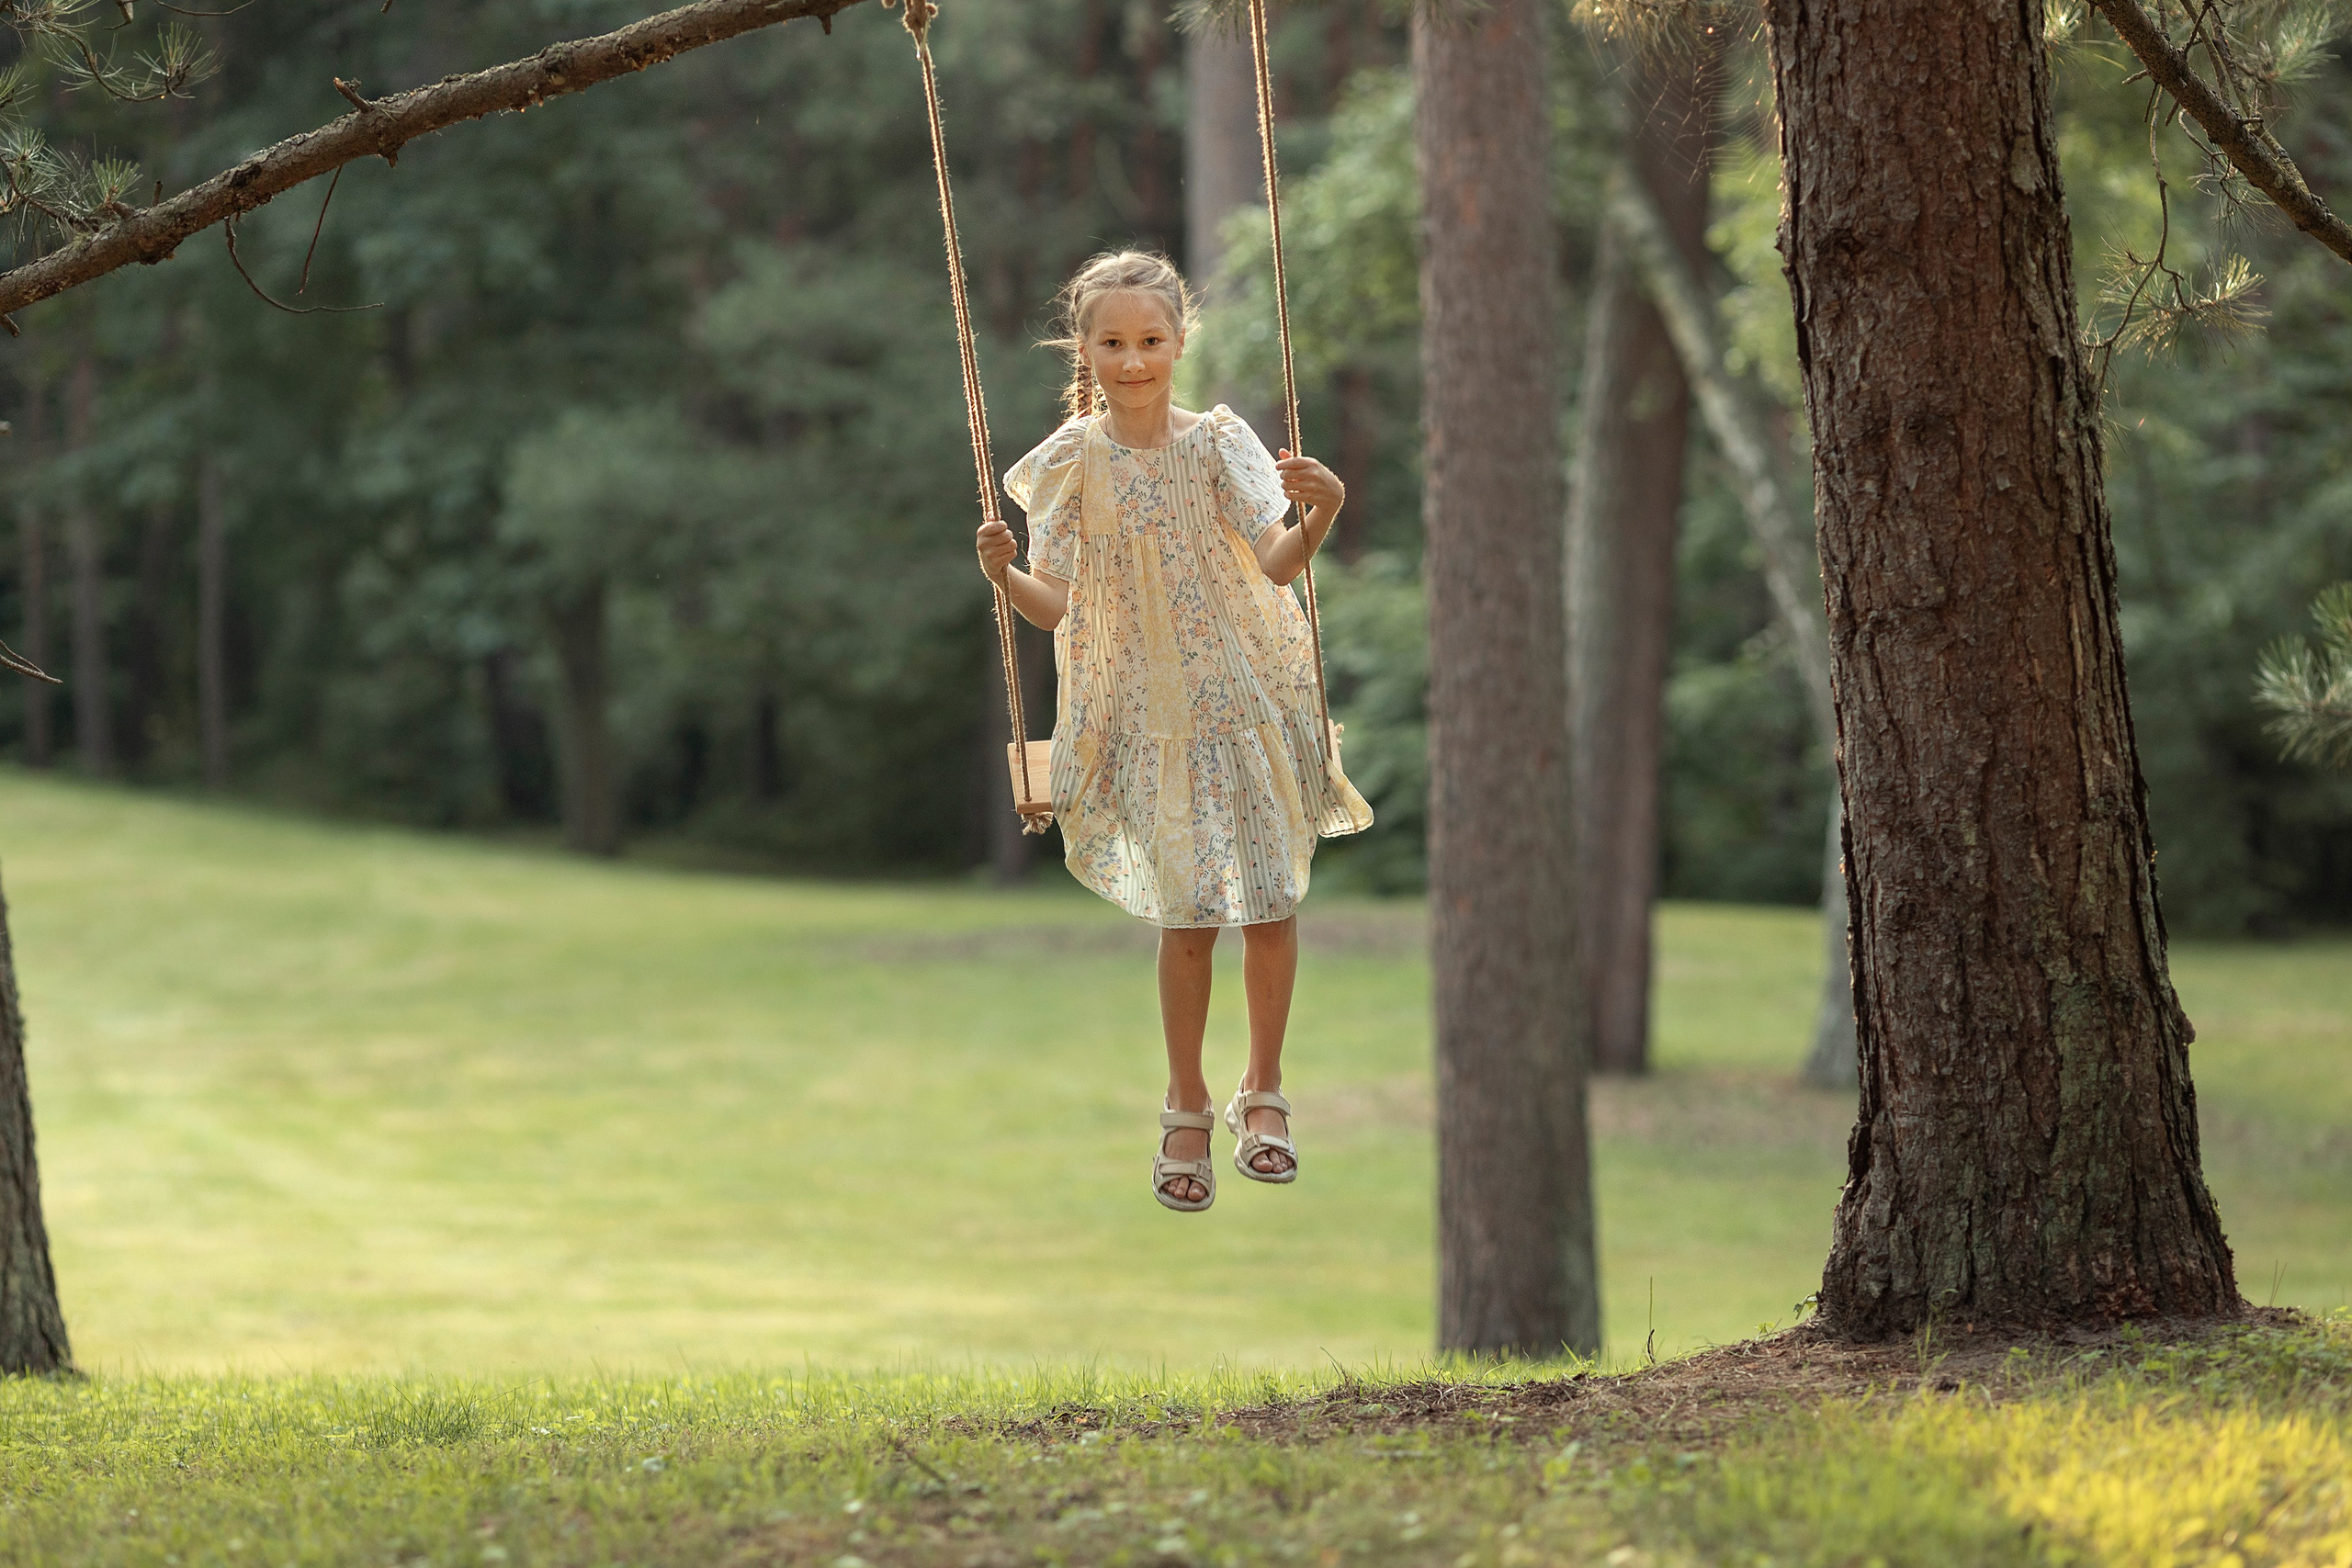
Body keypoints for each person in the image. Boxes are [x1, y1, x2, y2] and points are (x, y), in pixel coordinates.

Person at [975, 250, 1374, 1213]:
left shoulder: (1219, 445)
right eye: (1111, 342)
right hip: (1142, 713)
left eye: (1149, 341)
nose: (1133, 360)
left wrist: (1324, 510)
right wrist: (1002, 575)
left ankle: (1263, 1092)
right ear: (1085, 348)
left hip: (1243, 698)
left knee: (1271, 902)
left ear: (1178, 344)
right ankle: (1186, 1099)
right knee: (1188, 916)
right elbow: (1052, 606)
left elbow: (1278, 565)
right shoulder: (1072, 462)